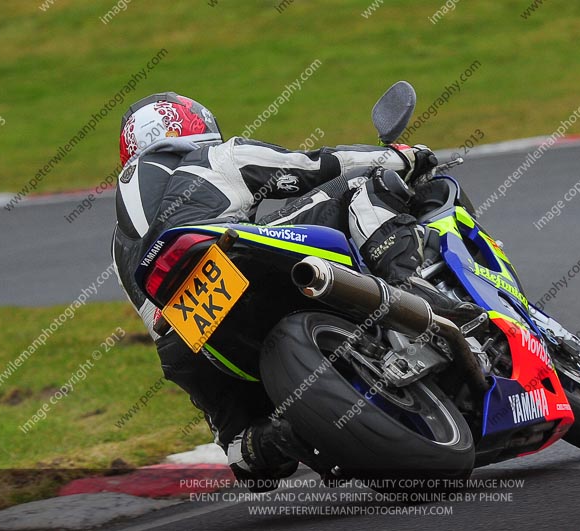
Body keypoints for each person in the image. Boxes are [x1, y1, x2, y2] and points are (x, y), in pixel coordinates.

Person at [111, 92, 478, 488]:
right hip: (232, 255)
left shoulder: (118, 246)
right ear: (195, 125)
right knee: (363, 184)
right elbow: (318, 165)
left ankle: (259, 443)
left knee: (249, 458)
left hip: (184, 338)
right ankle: (414, 289)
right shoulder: (215, 158)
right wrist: (404, 157)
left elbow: (155, 322)